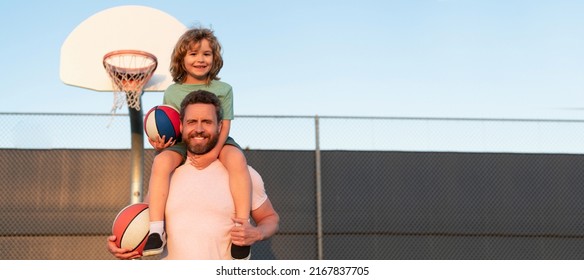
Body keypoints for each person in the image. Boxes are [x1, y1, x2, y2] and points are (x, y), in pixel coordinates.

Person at [107, 90, 280, 260]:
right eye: (192, 122)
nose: (198, 129)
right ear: (181, 126)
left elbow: (270, 218)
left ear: (219, 126)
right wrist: (122, 243)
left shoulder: (243, 174)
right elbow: (141, 222)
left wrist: (257, 233)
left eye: (206, 122)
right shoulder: (166, 175)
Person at [144, 27, 254, 259]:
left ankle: (241, 227)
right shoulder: (173, 91)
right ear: (181, 59)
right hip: (185, 141)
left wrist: (213, 153)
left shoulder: (224, 89)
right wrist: (162, 145)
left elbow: (224, 125)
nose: (200, 59)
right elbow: (174, 125)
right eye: (193, 54)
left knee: (236, 158)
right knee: (162, 162)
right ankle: (155, 229)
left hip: (217, 138)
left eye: (206, 54)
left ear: (215, 59)